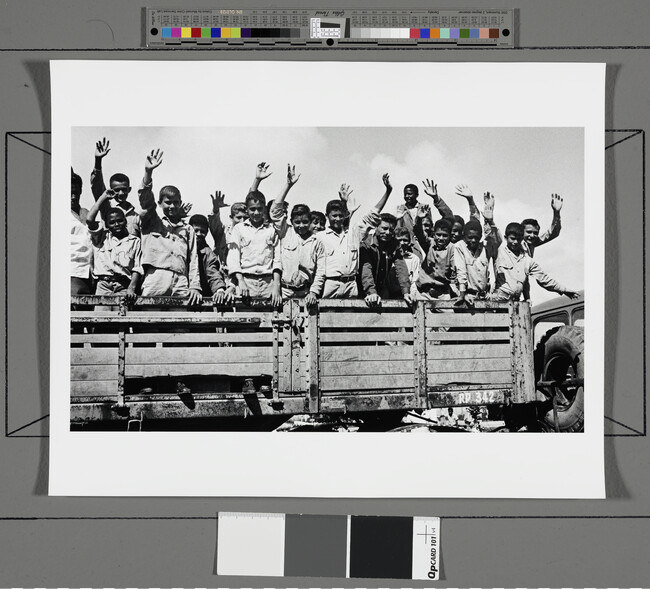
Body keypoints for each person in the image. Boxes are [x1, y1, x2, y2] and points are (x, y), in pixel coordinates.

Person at [137, 149, 202, 305]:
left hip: (181, 281)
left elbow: (193, 259)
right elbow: (145, 200)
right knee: (151, 323)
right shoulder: (153, 221)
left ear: (180, 203)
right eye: (167, 202)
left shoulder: (187, 230)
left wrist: (194, 286)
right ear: (160, 203)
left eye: (176, 202)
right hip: (156, 278)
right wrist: (148, 172)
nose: (172, 206)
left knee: (179, 326)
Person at [318, 173, 393, 299]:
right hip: (329, 284)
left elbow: (373, 214)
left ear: (345, 215)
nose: (337, 219)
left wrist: (388, 191)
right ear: (327, 216)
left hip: (351, 285)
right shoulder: (320, 237)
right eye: (334, 216)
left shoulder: (353, 234)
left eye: (341, 216)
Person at [269, 165, 325, 306]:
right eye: (297, 222)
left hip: (306, 293)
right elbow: (275, 212)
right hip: (284, 291)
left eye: (305, 222)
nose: (301, 226)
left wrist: (314, 292)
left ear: (311, 221)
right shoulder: (285, 232)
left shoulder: (317, 241)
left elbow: (320, 271)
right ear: (291, 221)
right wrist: (288, 185)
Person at [488, 222, 579, 302]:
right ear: (506, 238)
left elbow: (544, 279)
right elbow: (493, 237)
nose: (515, 242)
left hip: (516, 302)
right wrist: (490, 220)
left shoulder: (527, 260)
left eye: (518, 239)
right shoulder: (499, 252)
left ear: (522, 239)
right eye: (512, 239)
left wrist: (564, 289)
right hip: (498, 299)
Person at [226, 187, 282, 305]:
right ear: (247, 210)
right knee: (245, 319)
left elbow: (277, 259)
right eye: (252, 209)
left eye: (259, 209)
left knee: (271, 320)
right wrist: (240, 281)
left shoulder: (271, 230)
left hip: (268, 283)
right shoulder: (239, 229)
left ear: (264, 209)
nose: (256, 213)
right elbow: (234, 258)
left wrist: (276, 286)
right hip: (246, 282)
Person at [86, 189, 142, 303]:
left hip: (124, 286)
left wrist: (131, 288)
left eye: (120, 221)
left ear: (125, 221)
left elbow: (137, 267)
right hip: (103, 285)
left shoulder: (135, 241)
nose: (116, 224)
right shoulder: (102, 237)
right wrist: (103, 198)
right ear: (107, 224)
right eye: (112, 222)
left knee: (120, 318)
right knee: (100, 318)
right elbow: (89, 219)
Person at [453, 192, 501, 305]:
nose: (473, 241)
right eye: (470, 238)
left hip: (484, 297)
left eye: (476, 238)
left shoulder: (485, 247)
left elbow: (497, 241)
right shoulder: (459, 247)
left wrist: (490, 220)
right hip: (466, 295)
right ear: (464, 236)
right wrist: (462, 294)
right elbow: (461, 271)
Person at [358, 213, 412, 308]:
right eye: (384, 228)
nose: (387, 233)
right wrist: (371, 292)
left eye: (391, 230)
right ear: (376, 227)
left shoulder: (394, 244)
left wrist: (406, 292)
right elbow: (366, 269)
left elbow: (401, 268)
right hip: (363, 289)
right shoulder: (366, 243)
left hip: (382, 289)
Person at [90, 137, 141, 236]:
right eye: (117, 190)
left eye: (124, 189)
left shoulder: (136, 216)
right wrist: (98, 160)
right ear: (111, 191)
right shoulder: (106, 206)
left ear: (129, 190)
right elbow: (97, 184)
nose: (121, 193)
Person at [188, 214, 233, 304]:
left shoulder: (208, 253)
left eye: (202, 231)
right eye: (196, 230)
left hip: (201, 294)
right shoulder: (181, 246)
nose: (199, 234)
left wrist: (219, 289)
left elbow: (212, 272)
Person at [414, 218, 454, 301]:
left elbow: (456, 268)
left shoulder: (452, 248)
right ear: (434, 234)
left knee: (449, 313)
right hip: (423, 292)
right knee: (421, 312)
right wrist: (419, 218)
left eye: (445, 235)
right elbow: (419, 234)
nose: (441, 238)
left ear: (450, 236)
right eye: (438, 235)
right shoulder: (429, 243)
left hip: (442, 294)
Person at [207, 190, 247, 268]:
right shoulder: (224, 231)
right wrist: (215, 209)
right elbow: (214, 224)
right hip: (225, 273)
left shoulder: (251, 232)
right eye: (238, 218)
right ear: (231, 218)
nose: (242, 221)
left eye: (245, 218)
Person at [70, 169, 94, 295]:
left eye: (76, 193)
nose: (73, 197)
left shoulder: (87, 212)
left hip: (90, 273)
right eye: (69, 193)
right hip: (72, 272)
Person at [395, 227, 421, 294]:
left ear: (409, 242)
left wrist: (411, 295)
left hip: (408, 293)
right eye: (399, 240)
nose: (402, 243)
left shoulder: (414, 259)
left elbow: (415, 281)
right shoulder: (388, 257)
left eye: (405, 240)